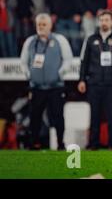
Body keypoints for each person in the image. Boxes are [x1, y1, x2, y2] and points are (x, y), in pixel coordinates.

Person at [78, 10, 112, 150]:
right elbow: (84, 61)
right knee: (94, 114)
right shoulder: (90, 39)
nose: (104, 22)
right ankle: (93, 144)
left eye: (107, 20)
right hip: (94, 82)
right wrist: (82, 80)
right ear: (98, 22)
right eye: (102, 20)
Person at [20, 13, 73, 150]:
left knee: (57, 117)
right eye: (39, 24)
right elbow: (23, 61)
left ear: (50, 25)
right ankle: (33, 143)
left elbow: (68, 59)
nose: (41, 27)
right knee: (34, 117)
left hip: (55, 86)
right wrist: (28, 74)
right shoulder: (30, 41)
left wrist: (59, 73)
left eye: (44, 24)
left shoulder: (60, 40)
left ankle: (61, 143)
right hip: (36, 87)